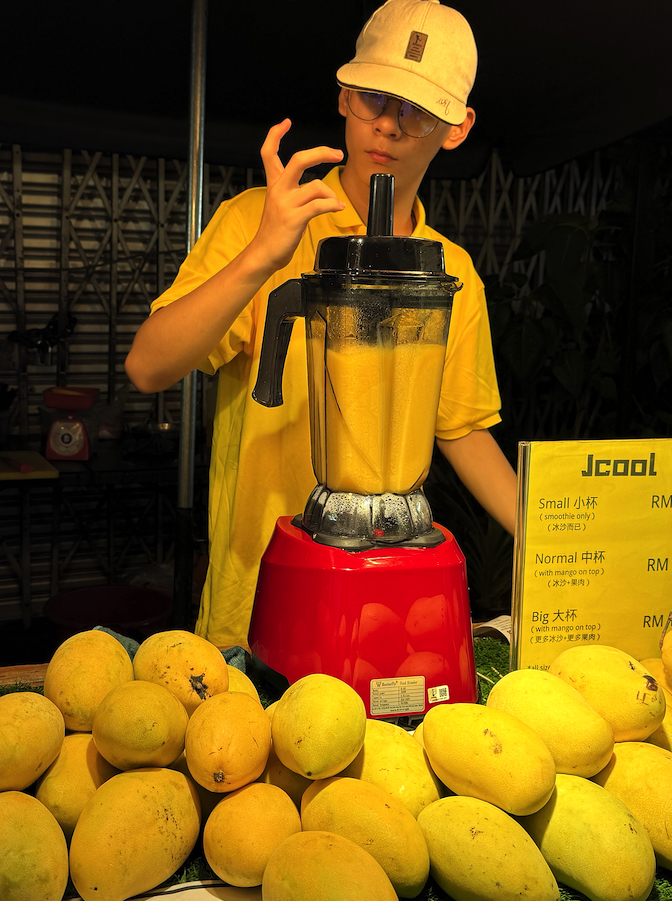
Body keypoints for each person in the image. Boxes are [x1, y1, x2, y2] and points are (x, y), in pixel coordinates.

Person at [125, 0, 517, 648]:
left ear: (458, 126)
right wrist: (262, 258)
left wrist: (558, 544)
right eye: (374, 98)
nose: (389, 125)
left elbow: (462, 427)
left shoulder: (452, 273)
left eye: (418, 108)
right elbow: (148, 365)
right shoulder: (260, 220)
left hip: (383, 602)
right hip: (251, 606)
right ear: (343, 95)